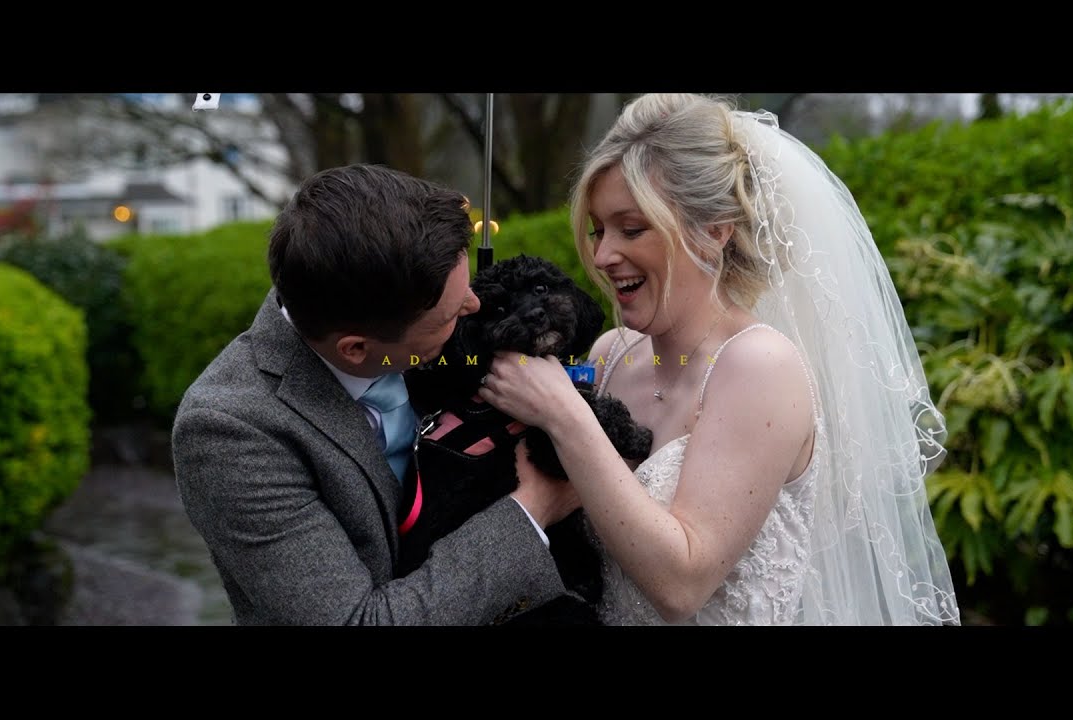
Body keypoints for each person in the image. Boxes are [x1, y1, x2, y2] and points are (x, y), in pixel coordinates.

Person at [478, 93, 960, 625]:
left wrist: (564, 415)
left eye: (631, 228)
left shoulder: (759, 366)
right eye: (598, 230)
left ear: (714, 229)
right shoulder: (609, 355)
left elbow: (683, 584)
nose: (602, 255)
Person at [172, 164, 579, 625]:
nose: (474, 308)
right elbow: (358, 621)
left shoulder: (416, 310)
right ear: (357, 348)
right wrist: (534, 508)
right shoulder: (231, 429)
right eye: (448, 317)